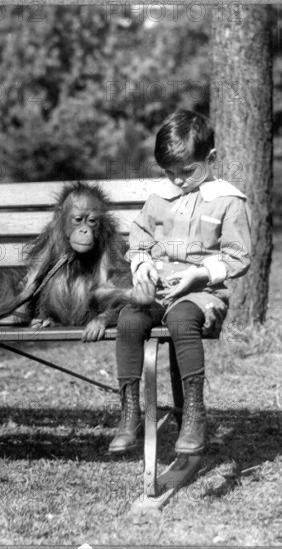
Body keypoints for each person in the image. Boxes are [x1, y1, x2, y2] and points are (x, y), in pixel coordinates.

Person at [109, 109, 251, 455]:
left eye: (186, 172)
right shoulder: (161, 197)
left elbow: (239, 256)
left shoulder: (227, 201)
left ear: (211, 159)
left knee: (182, 320)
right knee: (129, 319)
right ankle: (130, 412)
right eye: (169, 173)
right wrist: (141, 262)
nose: (177, 180)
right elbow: (139, 238)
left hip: (203, 292)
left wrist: (201, 273)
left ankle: (193, 414)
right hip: (159, 290)